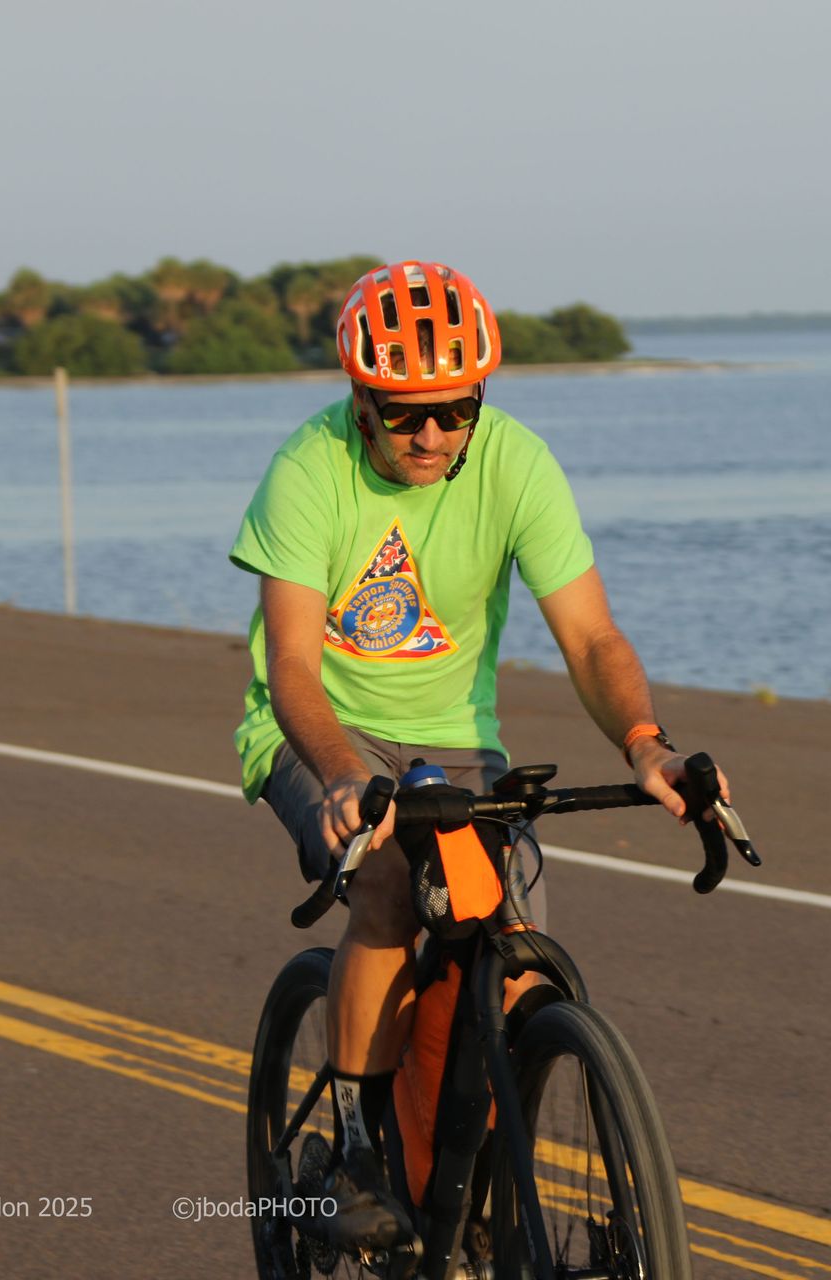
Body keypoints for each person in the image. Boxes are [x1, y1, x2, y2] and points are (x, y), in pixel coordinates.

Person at [228, 260, 726, 1248]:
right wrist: (342, 776)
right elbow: (289, 665)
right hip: (317, 732)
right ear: (361, 401)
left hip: (455, 744)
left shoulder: (517, 463)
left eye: (455, 411)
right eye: (405, 414)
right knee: (385, 881)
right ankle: (359, 1153)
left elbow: (591, 637)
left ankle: (463, 1181)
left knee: (506, 945)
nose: (431, 436)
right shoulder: (307, 468)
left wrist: (646, 745)